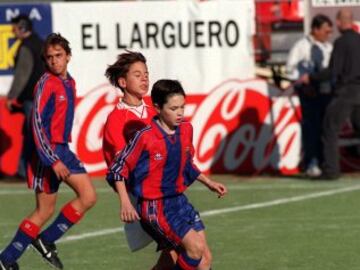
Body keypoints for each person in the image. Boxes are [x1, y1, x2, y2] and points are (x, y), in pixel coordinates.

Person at [106, 79, 228, 270]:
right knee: (194, 249)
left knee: (204, 260)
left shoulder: (186, 130)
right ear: (157, 108)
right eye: (173, 108)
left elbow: (186, 164)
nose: (179, 113)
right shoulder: (145, 137)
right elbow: (118, 169)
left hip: (179, 201)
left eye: (182, 107)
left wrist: (208, 182)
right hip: (156, 207)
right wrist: (125, 202)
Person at [0, 33, 97, 270]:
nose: (54, 61)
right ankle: (6, 259)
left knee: (88, 197)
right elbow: (37, 124)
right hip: (48, 156)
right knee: (45, 211)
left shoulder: (69, 82)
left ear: (68, 57)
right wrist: (52, 160)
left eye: (59, 56)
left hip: (62, 150)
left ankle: (42, 241)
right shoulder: (46, 83)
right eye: (50, 57)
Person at [103, 52, 177, 269]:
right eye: (138, 74)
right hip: (142, 196)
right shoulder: (117, 119)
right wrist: (125, 201)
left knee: (178, 251)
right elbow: (119, 167)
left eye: (146, 73)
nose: (145, 78)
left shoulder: (154, 111)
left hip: (164, 190)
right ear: (123, 82)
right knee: (183, 248)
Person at [286, 14, 333, 178]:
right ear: (315, 29)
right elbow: (290, 69)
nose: (328, 35)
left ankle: (323, 161)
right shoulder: (301, 46)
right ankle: (311, 162)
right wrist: (303, 83)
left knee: (324, 128)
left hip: (326, 93)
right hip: (308, 94)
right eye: (326, 31)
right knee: (310, 128)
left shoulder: (328, 48)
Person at [314, 9, 360, 179]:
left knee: (329, 128)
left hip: (346, 92)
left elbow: (334, 70)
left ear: (340, 22)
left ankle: (331, 170)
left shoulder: (341, 43)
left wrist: (311, 77)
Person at [6, 14, 46, 179]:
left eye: (15, 27)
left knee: (33, 134)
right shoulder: (41, 44)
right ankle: (27, 170)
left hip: (32, 97)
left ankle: (26, 171)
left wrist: (11, 96)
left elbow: (22, 74)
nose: (12, 31)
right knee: (37, 133)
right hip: (43, 95)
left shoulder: (26, 47)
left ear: (22, 28)